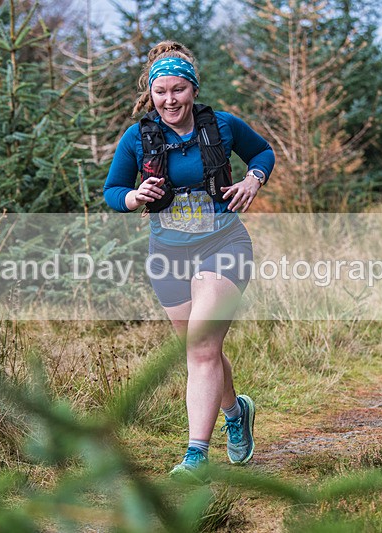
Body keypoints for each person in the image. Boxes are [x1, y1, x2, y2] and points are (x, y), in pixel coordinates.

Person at [103, 41, 274, 484]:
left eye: (179, 90)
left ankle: (196, 456)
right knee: (202, 350)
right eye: (162, 92)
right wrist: (133, 197)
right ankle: (236, 411)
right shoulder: (137, 137)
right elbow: (112, 191)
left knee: (201, 348)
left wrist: (254, 179)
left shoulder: (223, 125)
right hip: (167, 254)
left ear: (193, 90)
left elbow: (263, 153)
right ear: (151, 93)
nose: (170, 100)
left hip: (224, 243)